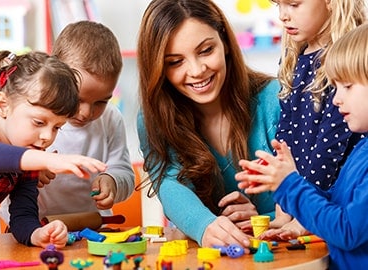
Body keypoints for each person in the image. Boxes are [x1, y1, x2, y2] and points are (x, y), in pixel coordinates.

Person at [136, 0, 281, 248]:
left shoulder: (275, 100)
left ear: (224, 42)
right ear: (159, 68)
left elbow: (314, 199)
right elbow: (170, 184)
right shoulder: (154, 119)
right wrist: (205, 226)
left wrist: (260, 221)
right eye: (175, 62)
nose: (196, 70)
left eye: (205, 50)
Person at [237, 22, 368, 269]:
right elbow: (336, 204)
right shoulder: (362, 151)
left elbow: (347, 231)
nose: (337, 98)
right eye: (336, 87)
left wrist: (289, 185)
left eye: (347, 87)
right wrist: (293, 191)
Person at [0, 50, 107, 248]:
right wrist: (48, 160)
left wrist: (37, 233)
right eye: (39, 122)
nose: (47, 137)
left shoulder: (29, 155)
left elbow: (23, 214)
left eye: (57, 127)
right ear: (3, 105)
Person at [265, 0, 366, 239]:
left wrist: (303, 217)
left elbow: (327, 152)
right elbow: (285, 137)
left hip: (326, 212)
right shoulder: (296, 58)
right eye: (277, 4)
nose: (282, 15)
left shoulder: (345, 61)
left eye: (293, 4)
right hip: (306, 205)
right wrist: (282, 210)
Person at [36, 21, 134, 218]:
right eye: (77, 99)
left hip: (92, 228)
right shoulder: (37, 116)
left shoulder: (111, 119)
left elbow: (125, 173)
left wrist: (112, 181)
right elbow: (9, 164)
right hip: (35, 226)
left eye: (101, 102)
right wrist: (31, 172)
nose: (86, 113)